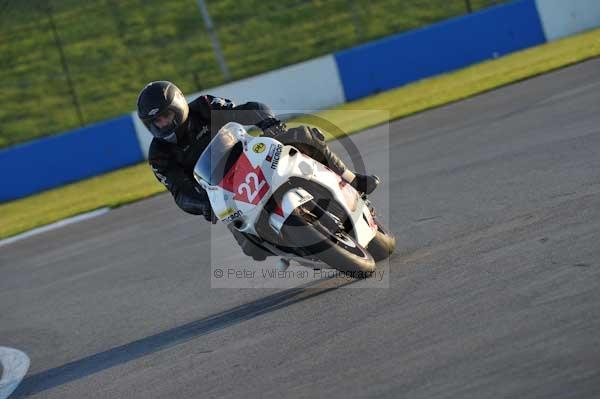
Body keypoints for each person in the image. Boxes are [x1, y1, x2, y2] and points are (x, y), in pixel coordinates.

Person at [136, 80, 379, 259]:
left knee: (304, 136)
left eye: (166, 116)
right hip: (222, 192)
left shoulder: (204, 106)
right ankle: (295, 250)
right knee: (252, 250)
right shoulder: (159, 155)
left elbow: (247, 109)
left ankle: (352, 179)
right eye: (156, 122)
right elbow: (180, 192)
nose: (163, 124)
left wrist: (269, 124)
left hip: (251, 155)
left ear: (178, 106)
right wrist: (203, 204)